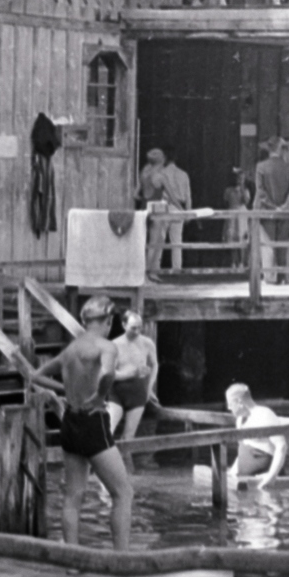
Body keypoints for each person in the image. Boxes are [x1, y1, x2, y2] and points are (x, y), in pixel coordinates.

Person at [34, 295, 132, 550]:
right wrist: (100, 396)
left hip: (70, 422)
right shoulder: (106, 346)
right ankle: (121, 559)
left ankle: (73, 562)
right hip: (93, 421)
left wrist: (64, 389)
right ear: (108, 321)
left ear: (85, 321)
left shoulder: (70, 350)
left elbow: (37, 375)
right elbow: (109, 373)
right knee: (123, 493)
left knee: (72, 497)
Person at [138, 146, 192, 274]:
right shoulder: (180, 174)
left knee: (157, 241)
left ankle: (155, 270)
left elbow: (138, 193)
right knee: (176, 241)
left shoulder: (146, 173)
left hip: (155, 207)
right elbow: (184, 196)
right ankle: (176, 270)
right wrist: (185, 211)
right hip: (169, 207)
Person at [107, 309, 158, 441]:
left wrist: (149, 388)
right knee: (107, 432)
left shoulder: (147, 343)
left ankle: (125, 462)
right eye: (133, 328)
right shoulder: (114, 345)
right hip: (116, 392)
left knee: (129, 436)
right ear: (124, 325)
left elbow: (154, 365)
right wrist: (130, 373)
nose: (137, 332)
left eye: (140, 328)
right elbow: (110, 374)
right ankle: (103, 460)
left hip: (138, 392)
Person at [226, 383, 287, 490]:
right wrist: (232, 472)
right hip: (245, 483)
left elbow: (281, 446)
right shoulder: (240, 420)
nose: (228, 408)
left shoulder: (265, 415)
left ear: (239, 402)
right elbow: (243, 450)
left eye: (230, 403)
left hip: (265, 481)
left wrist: (271, 476)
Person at [253, 139, 289, 281]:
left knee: (268, 245)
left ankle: (271, 277)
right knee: (282, 244)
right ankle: (283, 275)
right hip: (285, 212)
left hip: (266, 212)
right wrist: (284, 206)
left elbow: (260, 192)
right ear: (280, 149)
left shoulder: (261, 167)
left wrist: (273, 207)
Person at [223, 167, 251, 269]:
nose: (239, 180)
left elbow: (246, 201)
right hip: (232, 213)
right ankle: (233, 262)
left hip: (242, 214)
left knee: (242, 237)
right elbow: (225, 201)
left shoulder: (246, 190)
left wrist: (242, 188)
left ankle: (242, 262)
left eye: (242, 178)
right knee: (232, 237)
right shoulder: (229, 190)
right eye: (238, 178)